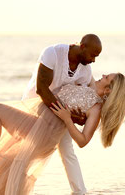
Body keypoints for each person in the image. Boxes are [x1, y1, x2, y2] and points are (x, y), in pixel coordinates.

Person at [0, 73, 125, 194]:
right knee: (8, 162)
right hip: (38, 124)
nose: (103, 74)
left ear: (109, 90)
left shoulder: (96, 109)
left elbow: (83, 141)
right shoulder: (89, 86)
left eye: (107, 77)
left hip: (45, 133)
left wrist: (67, 119)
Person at [22, 34, 102, 194]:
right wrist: (65, 115)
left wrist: (78, 118)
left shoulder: (85, 71)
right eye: (93, 55)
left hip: (60, 113)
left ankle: (80, 191)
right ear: (83, 46)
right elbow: (42, 89)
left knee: (67, 149)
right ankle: (16, 184)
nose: (93, 60)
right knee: (28, 150)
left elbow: (78, 101)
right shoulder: (52, 53)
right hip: (35, 106)